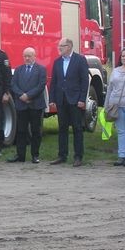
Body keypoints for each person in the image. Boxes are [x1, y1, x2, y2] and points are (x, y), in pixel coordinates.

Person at [49, 38, 89, 167]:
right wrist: (52, 99)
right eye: (59, 46)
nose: (59, 48)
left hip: (75, 99)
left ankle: (78, 156)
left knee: (77, 128)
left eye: (62, 46)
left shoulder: (79, 60)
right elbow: (54, 82)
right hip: (61, 100)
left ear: (69, 46)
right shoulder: (57, 62)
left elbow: (84, 81)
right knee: (62, 128)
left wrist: (82, 99)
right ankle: (62, 155)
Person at [7, 47, 47, 163]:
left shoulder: (41, 70)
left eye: (29, 56)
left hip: (35, 105)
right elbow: (13, 85)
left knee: (36, 131)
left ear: (35, 56)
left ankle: (35, 155)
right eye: (25, 56)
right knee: (21, 131)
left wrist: (29, 96)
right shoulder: (19, 70)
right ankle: (20, 155)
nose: (27, 58)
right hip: (22, 105)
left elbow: (41, 85)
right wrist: (22, 95)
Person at [105, 47, 125, 166]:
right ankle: (121, 156)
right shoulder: (115, 70)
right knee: (121, 131)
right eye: (123, 56)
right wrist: (106, 105)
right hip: (115, 106)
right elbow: (109, 89)